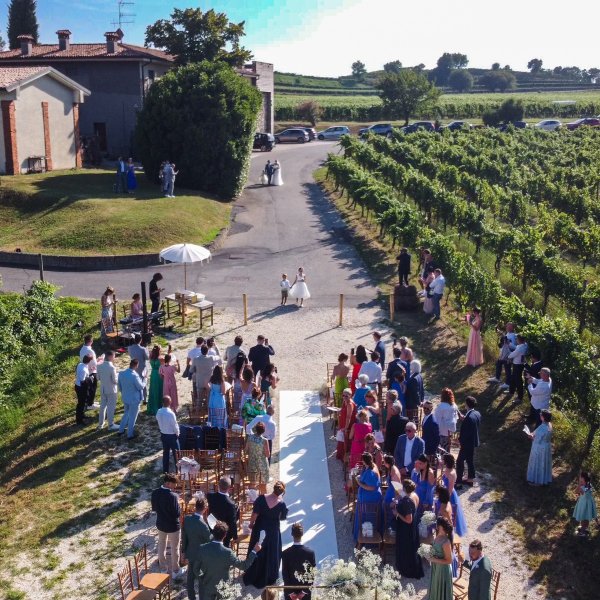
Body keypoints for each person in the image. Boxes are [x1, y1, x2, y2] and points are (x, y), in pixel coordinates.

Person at [194, 521, 260, 600]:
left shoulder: (202, 548)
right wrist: (254, 551)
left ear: (213, 533)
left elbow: (195, 569)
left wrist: (202, 578)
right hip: (223, 587)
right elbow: (244, 566)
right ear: (225, 535)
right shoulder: (228, 552)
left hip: (207, 585)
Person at [243, 481, 289, 589]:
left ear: (273, 488)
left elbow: (255, 514)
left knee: (257, 549)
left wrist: (250, 524)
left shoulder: (261, 498)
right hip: (273, 530)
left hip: (260, 527)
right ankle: (268, 575)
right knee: (271, 552)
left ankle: (253, 572)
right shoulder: (281, 503)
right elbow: (282, 518)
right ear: (281, 493)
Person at [151, 474, 185, 579]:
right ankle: (175, 570)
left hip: (161, 523)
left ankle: (163, 568)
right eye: (174, 484)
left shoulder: (155, 492)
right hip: (173, 526)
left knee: (161, 546)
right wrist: (178, 504)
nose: (174, 487)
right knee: (175, 549)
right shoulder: (173, 496)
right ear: (168, 483)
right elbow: (177, 514)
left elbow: (154, 508)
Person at [393, 478, 424, 579]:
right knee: (413, 547)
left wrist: (397, 514)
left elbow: (408, 520)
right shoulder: (414, 495)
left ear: (405, 488)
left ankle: (406, 569)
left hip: (406, 528)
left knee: (406, 548)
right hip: (414, 526)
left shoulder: (407, 501)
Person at [182, 497, 212, 600]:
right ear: (205, 508)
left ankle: (191, 598)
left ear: (195, 507)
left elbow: (184, 537)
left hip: (190, 553)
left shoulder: (186, 519)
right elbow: (210, 541)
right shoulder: (204, 526)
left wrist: (183, 552)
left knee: (190, 579)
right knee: (201, 581)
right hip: (201, 557)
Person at [281, 522, 316, 600]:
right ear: (302, 534)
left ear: (292, 534)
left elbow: (285, 574)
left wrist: (290, 592)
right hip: (305, 591)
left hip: (290, 591)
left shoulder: (285, 553)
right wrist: (304, 591)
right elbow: (311, 575)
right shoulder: (310, 553)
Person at [353, 452, 382, 541]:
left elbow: (372, 487)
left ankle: (367, 537)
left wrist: (359, 483)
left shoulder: (371, 473)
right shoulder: (371, 466)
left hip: (369, 499)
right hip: (368, 497)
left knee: (368, 516)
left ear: (364, 461)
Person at [456, 396, 481, 489]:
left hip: (466, 443)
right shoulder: (476, 414)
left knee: (459, 461)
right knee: (470, 460)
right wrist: (465, 418)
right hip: (473, 441)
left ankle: (458, 482)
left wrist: (459, 441)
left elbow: (465, 433)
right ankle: (470, 479)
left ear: (466, 404)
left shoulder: (468, 418)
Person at [207, 477, 240, 548]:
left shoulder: (210, 496)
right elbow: (232, 522)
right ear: (230, 488)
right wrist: (235, 537)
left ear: (218, 486)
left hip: (212, 528)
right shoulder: (231, 504)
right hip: (224, 533)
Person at [441, 453, 468, 537]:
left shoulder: (452, 473)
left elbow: (450, 488)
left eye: (443, 459)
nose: (442, 460)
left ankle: (450, 532)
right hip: (444, 492)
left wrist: (446, 499)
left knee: (451, 514)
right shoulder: (447, 469)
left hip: (450, 495)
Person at [427, 516, 454, 600]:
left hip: (443, 570)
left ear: (440, 526)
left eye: (437, 524)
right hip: (436, 567)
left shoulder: (446, 542)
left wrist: (433, 559)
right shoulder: (438, 535)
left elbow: (449, 560)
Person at [118, 359, 145, 439]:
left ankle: (121, 430)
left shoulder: (121, 373)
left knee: (126, 414)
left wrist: (123, 393)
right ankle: (130, 434)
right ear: (136, 365)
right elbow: (140, 387)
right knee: (133, 417)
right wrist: (145, 380)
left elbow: (120, 386)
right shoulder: (134, 376)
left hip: (125, 397)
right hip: (134, 399)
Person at [526, 409, 553, 485]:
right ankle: (543, 479)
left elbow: (536, 439)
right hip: (546, 447)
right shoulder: (549, 424)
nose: (540, 416)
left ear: (543, 417)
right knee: (544, 464)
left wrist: (530, 436)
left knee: (538, 463)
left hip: (539, 448)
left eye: (541, 415)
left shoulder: (543, 427)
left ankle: (536, 480)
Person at [156, 395, 180, 474]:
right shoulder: (171, 413)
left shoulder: (159, 412)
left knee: (165, 453)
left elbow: (158, 420)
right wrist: (177, 433)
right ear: (170, 402)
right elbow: (174, 425)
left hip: (163, 434)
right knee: (176, 454)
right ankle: (178, 470)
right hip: (172, 436)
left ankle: (165, 470)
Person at [97, 350, 119, 430]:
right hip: (111, 390)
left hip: (103, 388)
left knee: (103, 406)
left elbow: (98, 378)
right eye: (114, 356)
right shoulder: (112, 367)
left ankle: (101, 424)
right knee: (111, 407)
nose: (114, 357)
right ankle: (111, 424)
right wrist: (118, 376)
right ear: (110, 357)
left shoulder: (99, 366)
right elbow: (114, 381)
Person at [488, 322, 516, 386]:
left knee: (507, 369)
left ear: (512, 328)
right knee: (498, 364)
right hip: (503, 353)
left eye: (508, 326)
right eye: (507, 326)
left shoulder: (514, 336)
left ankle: (508, 383)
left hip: (508, 355)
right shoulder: (507, 333)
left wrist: (508, 343)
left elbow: (514, 347)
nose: (507, 327)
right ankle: (497, 378)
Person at [573, 471, 597, 537]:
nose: (580, 481)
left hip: (586, 505)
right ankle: (584, 528)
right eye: (579, 479)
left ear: (585, 480)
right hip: (583, 503)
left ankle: (583, 532)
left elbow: (580, 492)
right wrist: (580, 485)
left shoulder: (587, 487)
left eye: (581, 480)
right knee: (583, 517)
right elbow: (576, 492)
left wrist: (579, 486)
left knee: (584, 517)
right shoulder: (586, 485)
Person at [434, 388, 459, 453]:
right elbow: (456, 418)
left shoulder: (441, 406)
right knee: (447, 447)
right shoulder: (454, 406)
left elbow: (436, 419)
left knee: (440, 448)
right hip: (450, 430)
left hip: (442, 430)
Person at [505, 334, 528, 404]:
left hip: (517, 365)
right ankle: (511, 391)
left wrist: (508, 357)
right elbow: (516, 348)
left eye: (517, 339)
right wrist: (510, 343)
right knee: (513, 378)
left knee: (518, 381)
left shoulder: (520, 348)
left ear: (519, 340)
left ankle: (519, 397)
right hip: (519, 364)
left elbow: (514, 353)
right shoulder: (525, 345)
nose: (516, 340)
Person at [79, 334, 100, 410]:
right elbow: (94, 363)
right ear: (91, 341)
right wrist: (100, 361)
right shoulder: (90, 351)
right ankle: (90, 404)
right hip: (91, 371)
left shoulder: (82, 349)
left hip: (86, 369)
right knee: (93, 388)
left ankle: (90, 401)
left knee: (89, 388)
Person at [129, 333, 149, 403]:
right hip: (142, 367)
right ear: (141, 340)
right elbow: (147, 358)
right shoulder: (143, 349)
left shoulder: (129, 348)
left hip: (133, 367)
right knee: (143, 382)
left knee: (135, 383)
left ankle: (136, 398)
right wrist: (147, 350)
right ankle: (145, 399)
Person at [337, 389, 357, 460]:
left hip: (348, 424)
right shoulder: (345, 401)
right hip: (343, 422)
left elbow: (349, 417)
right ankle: (341, 455)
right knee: (342, 439)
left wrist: (346, 428)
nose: (344, 397)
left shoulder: (350, 404)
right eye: (343, 395)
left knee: (347, 441)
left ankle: (345, 458)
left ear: (350, 396)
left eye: (346, 396)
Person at [421, 400, 440, 467]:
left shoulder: (433, 421)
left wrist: (433, 450)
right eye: (424, 408)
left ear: (431, 409)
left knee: (429, 466)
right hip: (425, 444)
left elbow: (437, 437)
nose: (425, 410)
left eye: (427, 408)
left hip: (430, 448)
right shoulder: (425, 417)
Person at [75, 354, 92, 425]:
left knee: (82, 403)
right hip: (81, 388)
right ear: (89, 361)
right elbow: (82, 380)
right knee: (81, 404)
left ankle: (82, 415)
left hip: (78, 386)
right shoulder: (84, 370)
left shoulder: (80, 364)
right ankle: (79, 420)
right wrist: (90, 378)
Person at [147, 345, 164, 416]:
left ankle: (153, 407)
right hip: (159, 375)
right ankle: (159, 406)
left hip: (153, 374)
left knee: (153, 390)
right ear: (159, 351)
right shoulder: (161, 359)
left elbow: (150, 353)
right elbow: (164, 367)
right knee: (160, 390)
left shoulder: (151, 357)